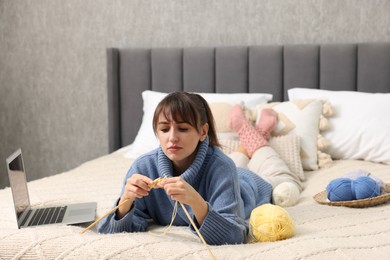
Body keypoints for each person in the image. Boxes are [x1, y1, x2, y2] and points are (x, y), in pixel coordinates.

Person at [98, 91, 273, 245]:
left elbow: (235, 234)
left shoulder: (223, 167)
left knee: (282, 181)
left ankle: (257, 133)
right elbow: (109, 230)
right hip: (225, 165)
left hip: (249, 185)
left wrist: (196, 202)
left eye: (182, 129)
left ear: (203, 132)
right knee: (238, 158)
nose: (172, 138)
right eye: (165, 129)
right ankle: (251, 137)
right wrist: (125, 203)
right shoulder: (143, 167)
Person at [227, 105, 303, 207]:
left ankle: (248, 131)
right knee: (287, 182)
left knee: (227, 173)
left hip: (232, 185)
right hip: (246, 191)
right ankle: (251, 131)